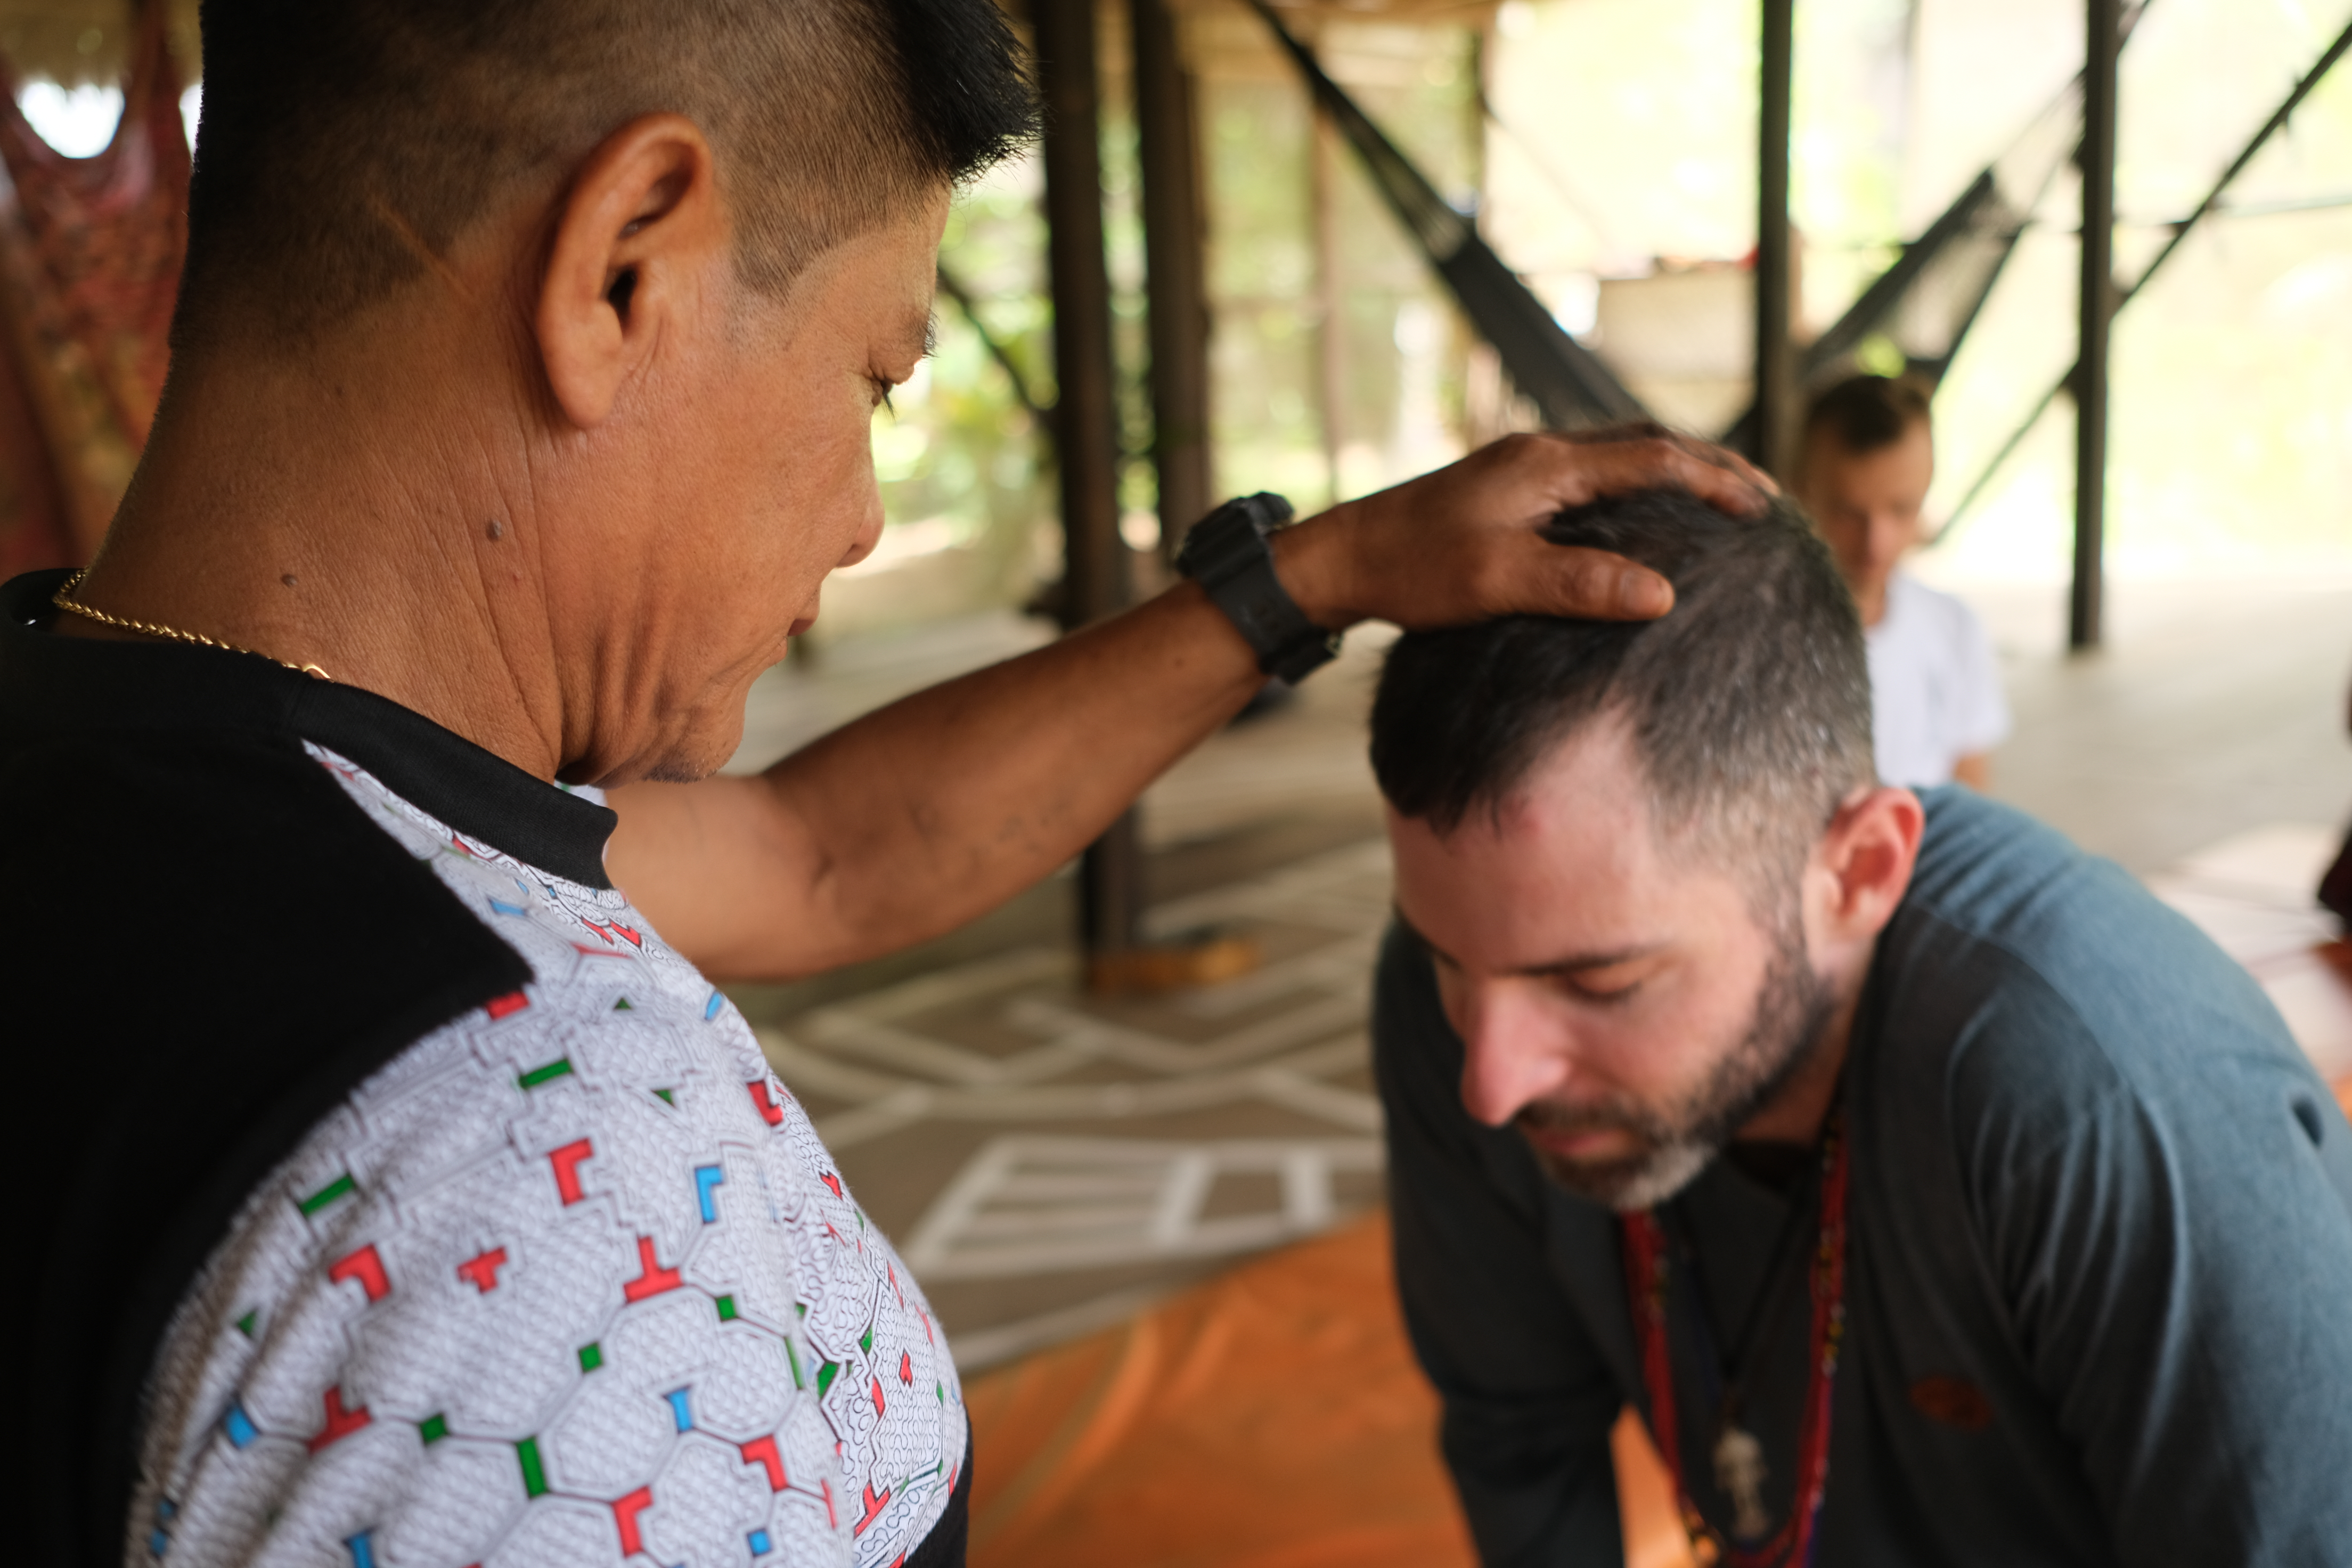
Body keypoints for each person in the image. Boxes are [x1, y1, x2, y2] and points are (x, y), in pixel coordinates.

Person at [0, 4, 1774, 1566]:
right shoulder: (546, 1179)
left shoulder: (126, 739)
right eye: (873, 373)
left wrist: (1323, 573)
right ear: (625, 260)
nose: (860, 511)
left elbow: (819, 854)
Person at [1367, 489, 2352, 1566]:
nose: (1492, 1084)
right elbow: (1521, 1445)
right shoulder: (1454, 996)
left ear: (1859, 868)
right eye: (1448, 961)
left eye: (1603, 983)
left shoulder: (2106, 1083)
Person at [1795, 373, 2006, 790]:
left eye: (1902, 509)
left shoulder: (1954, 628)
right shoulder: (1754, 635)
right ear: (1800, 492)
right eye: (1849, 513)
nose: (1877, 542)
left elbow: (1972, 800)